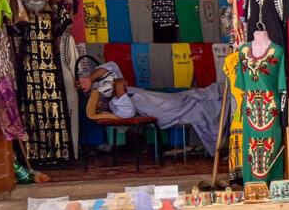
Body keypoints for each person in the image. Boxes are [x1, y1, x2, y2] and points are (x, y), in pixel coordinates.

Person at [78, 61, 227, 154]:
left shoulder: (108, 91)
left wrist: (89, 79)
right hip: (166, 109)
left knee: (202, 96)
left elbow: (110, 66)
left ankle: (227, 98)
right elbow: (127, 112)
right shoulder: (116, 105)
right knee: (205, 103)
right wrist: (118, 85)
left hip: (166, 100)